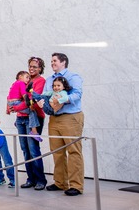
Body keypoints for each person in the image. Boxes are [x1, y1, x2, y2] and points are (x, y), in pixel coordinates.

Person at [38, 53, 84, 196]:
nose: (52, 63)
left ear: (63, 62)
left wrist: (61, 99)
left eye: (55, 61)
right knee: (57, 152)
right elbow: (46, 95)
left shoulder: (73, 77)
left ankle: (76, 185)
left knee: (73, 151)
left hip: (71, 117)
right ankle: (60, 182)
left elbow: (77, 94)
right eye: (51, 61)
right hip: (54, 118)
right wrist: (42, 102)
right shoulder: (49, 80)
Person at [10, 56, 47, 190]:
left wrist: (16, 107)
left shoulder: (40, 81)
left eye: (35, 67)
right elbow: (17, 96)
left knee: (33, 149)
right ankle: (30, 179)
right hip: (21, 119)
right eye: (30, 66)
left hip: (34, 118)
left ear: (40, 69)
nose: (31, 69)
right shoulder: (24, 79)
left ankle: (40, 180)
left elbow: (32, 100)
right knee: (25, 150)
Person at [6, 71, 42, 142]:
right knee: (32, 111)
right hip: (16, 102)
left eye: (29, 78)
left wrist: (7, 109)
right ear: (20, 77)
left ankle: (17, 122)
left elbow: (8, 96)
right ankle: (34, 132)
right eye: (27, 77)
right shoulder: (21, 83)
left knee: (23, 109)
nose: (28, 79)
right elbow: (24, 94)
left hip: (10, 102)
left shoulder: (14, 84)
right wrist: (28, 103)